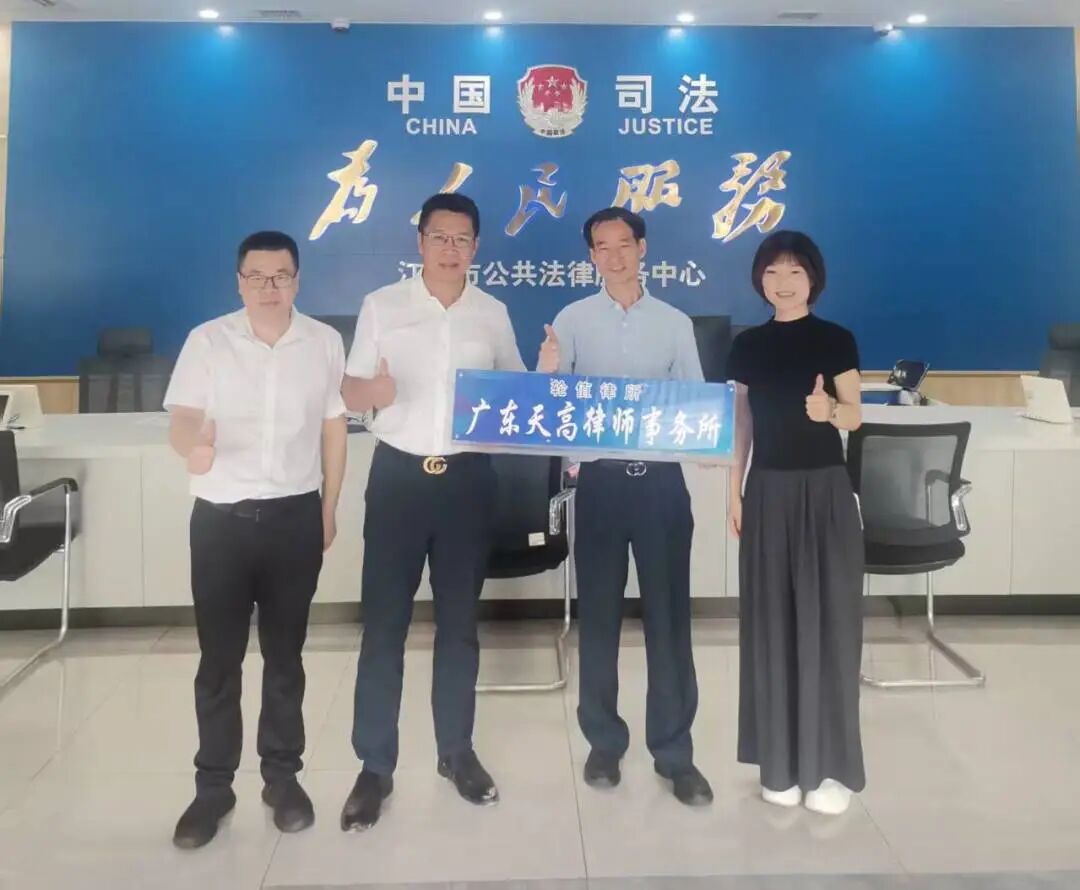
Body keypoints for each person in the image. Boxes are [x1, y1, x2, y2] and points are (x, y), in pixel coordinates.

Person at [339, 193, 526, 831]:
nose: (451, 249)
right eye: (440, 237)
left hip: (467, 483)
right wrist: (372, 391)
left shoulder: (492, 313)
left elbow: (514, 393)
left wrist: (547, 376)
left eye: (462, 239)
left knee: (460, 626)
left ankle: (456, 752)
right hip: (398, 479)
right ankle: (375, 766)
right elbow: (349, 390)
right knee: (383, 628)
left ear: (476, 247)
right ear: (419, 242)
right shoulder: (382, 306)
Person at [165, 230, 348, 848]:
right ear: (239, 282)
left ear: (298, 280)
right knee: (219, 661)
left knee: (285, 657)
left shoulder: (323, 342)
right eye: (257, 276)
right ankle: (213, 789)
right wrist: (193, 449)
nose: (270, 287)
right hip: (221, 521)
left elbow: (333, 429)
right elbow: (183, 417)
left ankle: (282, 778)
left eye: (281, 276)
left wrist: (328, 507)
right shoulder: (208, 340)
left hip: (295, 517)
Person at [537, 206, 713, 807]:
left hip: (661, 485)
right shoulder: (571, 319)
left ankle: (675, 753)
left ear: (642, 249)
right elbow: (551, 408)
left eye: (623, 244)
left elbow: (695, 404)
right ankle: (604, 744)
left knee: (669, 620)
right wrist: (547, 373)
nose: (613, 257)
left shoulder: (674, 323)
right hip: (601, 486)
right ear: (591, 256)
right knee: (599, 619)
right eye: (601, 247)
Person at [725, 230, 865, 816]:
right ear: (760, 278)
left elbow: (856, 417)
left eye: (795, 272)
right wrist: (733, 491)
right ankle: (779, 764)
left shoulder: (835, 339)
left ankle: (829, 769)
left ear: (813, 280)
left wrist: (829, 409)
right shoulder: (747, 345)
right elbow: (741, 424)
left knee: (829, 627)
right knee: (771, 625)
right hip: (767, 491)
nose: (782, 283)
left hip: (825, 493)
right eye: (772, 272)